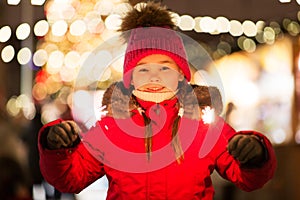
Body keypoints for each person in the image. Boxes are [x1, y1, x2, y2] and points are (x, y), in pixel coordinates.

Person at [38, 2, 276, 199]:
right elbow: (70, 178)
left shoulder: (204, 129)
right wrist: (55, 148)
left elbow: (246, 178)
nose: (153, 76)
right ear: (129, 80)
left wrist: (255, 155)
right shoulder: (112, 130)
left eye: (164, 67)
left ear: (182, 75)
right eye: (142, 70)